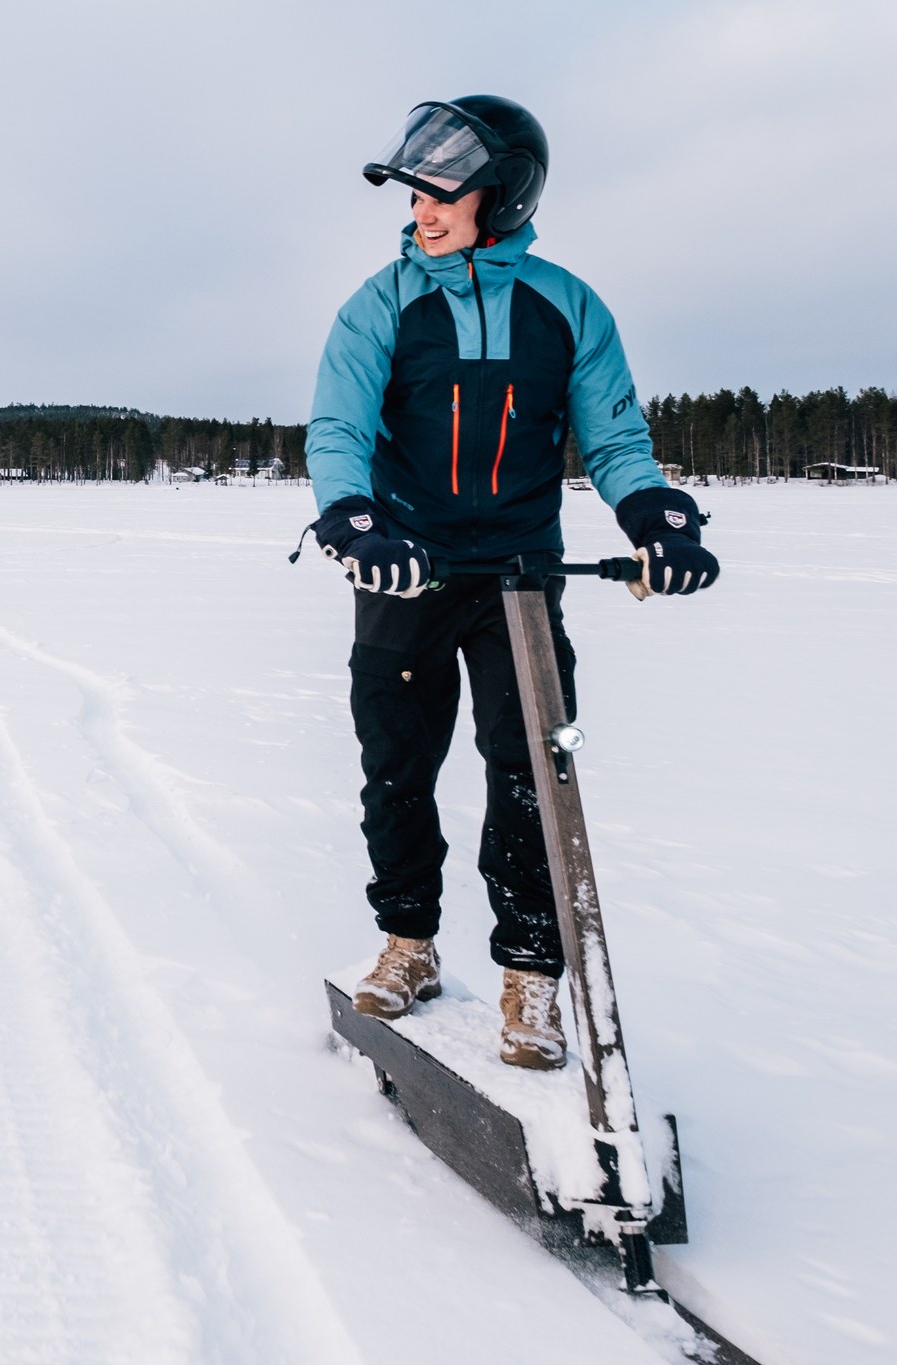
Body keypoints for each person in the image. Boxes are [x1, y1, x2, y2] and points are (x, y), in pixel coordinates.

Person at [303, 97, 718, 1068]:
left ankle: (531, 975)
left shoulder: (565, 306)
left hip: (521, 580)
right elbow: (337, 430)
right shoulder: (378, 304)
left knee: (531, 772)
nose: (420, 211)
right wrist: (352, 517)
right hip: (402, 574)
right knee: (395, 770)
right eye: (413, 194)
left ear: (503, 194)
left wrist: (654, 514)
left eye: (439, 191)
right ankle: (408, 943)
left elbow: (613, 439)